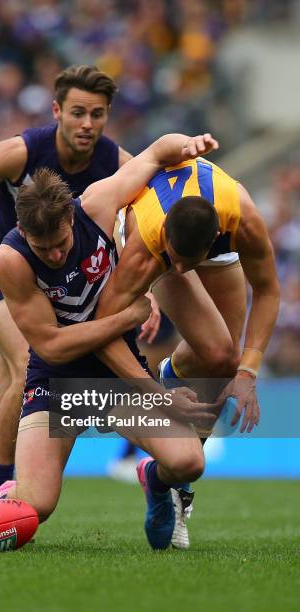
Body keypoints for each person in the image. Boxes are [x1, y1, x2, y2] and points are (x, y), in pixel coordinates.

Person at [0, 65, 160, 538]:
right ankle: (0, 490)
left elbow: (145, 215)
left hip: (61, 294)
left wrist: (143, 286)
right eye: (77, 113)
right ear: (57, 112)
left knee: (0, 408)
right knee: (33, 358)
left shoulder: (115, 161)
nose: (87, 123)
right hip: (4, 280)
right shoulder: (21, 152)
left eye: (97, 114)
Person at [0, 132, 219, 551]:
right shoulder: (11, 260)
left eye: (60, 244)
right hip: (58, 382)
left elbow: (153, 154)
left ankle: (153, 479)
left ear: (71, 217)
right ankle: (4, 495)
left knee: (189, 462)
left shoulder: (96, 203)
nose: (55, 256)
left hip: (114, 376)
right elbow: (53, 347)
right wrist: (126, 317)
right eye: (43, 249)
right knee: (36, 507)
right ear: (22, 229)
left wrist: (188, 144)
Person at [90, 154, 280, 547]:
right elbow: (102, 330)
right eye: (173, 261)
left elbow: (268, 290)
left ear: (212, 243)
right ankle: (178, 475)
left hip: (212, 227)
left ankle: (170, 480)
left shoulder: (242, 219)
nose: (179, 271)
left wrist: (248, 373)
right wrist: (145, 393)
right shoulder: (149, 245)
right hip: (151, 230)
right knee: (216, 350)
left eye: (186, 262)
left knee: (225, 361)